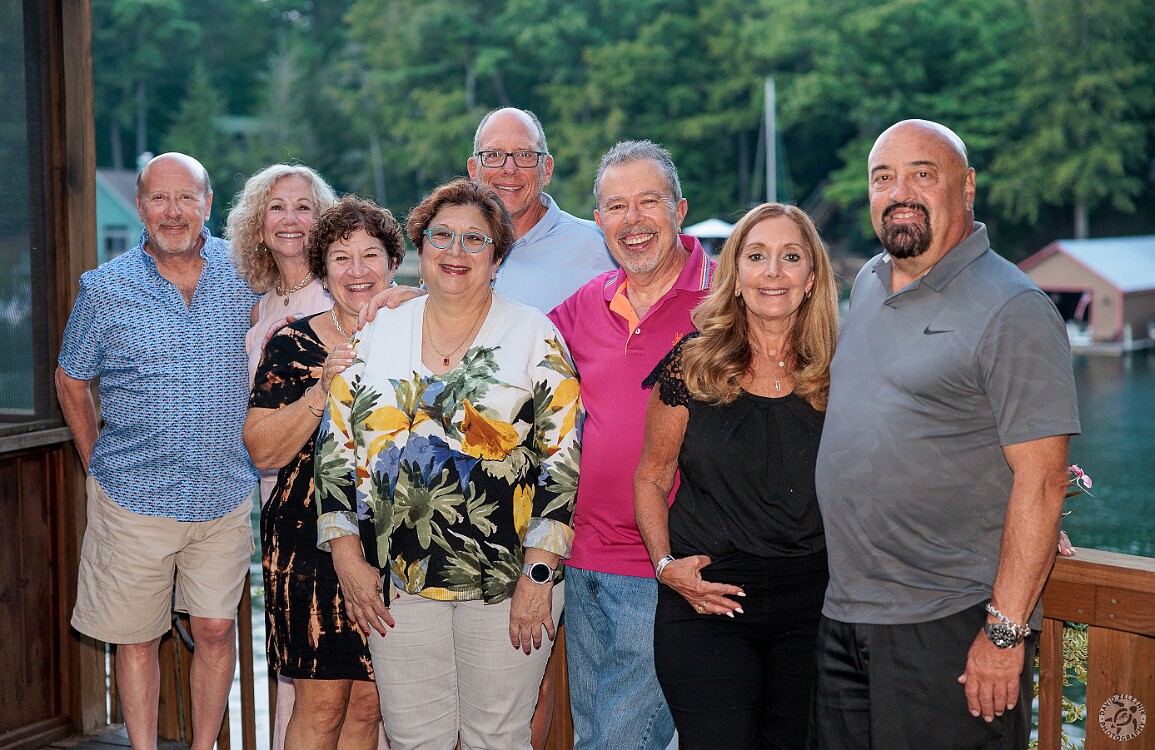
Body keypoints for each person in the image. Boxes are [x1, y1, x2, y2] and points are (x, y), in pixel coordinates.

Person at [810, 119, 1081, 750]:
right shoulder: (871, 285)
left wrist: (1005, 633)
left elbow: (1041, 482)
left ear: (968, 187)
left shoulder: (1013, 309)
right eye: (884, 178)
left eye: (921, 175)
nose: (899, 191)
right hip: (845, 616)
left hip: (948, 627)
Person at [316, 178, 582, 750]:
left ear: (498, 256)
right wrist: (347, 559)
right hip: (398, 584)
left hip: (508, 582)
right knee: (414, 740)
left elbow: (561, 463)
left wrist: (539, 575)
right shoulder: (376, 333)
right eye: (441, 236)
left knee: (498, 738)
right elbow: (334, 450)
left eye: (474, 240)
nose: (455, 251)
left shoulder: (535, 336)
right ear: (419, 247)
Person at [56, 152, 258, 750]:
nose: (174, 212)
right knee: (136, 636)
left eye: (186, 198)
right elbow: (71, 378)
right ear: (140, 207)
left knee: (217, 631)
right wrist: (96, 462)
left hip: (223, 492)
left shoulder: (246, 273)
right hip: (133, 497)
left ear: (208, 204)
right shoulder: (103, 289)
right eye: (159, 199)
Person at [635, 203, 838, 748]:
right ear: (736, 274)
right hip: (707, 598)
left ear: (812, 277)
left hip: (815, 606)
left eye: (790, 257)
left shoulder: (841, 370)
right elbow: (652, 478)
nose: (773, 272)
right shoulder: (692, 363)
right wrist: (664, 566)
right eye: (757, 256)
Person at [548, 140, 714, 750]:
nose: (633, 219)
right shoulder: (582, 307)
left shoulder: (725, 303)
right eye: (616, 206)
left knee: (619, 741)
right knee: (597, 731)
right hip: (581, 559)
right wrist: (409, 301)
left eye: (649, 201)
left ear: (680, 208)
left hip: (665, 567)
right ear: (598, 222)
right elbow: (502, 349)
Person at [243, 196, 404, 750]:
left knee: (369, 704)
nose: (357, 271)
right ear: (323, 268)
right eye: (341, 258)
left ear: (393, 261)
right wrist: (321, 391)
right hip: (305, 542)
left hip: (396, 543)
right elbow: (262, 450)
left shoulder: (420, 330)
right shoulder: (291, 342)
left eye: (370, 255)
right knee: (322, 703)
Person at [467, 107, 616, 312]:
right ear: (473, 170)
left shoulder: (602, 248)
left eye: (525, 154)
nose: (509, 168)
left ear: (547, 170)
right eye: (494, 154)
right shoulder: (453, 247)